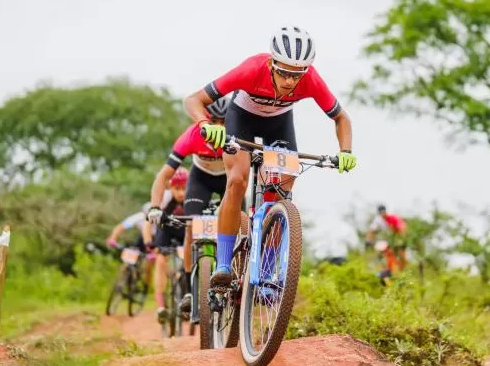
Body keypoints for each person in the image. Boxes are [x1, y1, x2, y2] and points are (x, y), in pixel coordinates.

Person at [183, 26, 357, 288]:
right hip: (242, 119)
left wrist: (345, 151)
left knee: (283, 187)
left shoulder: (311, 79)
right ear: (271, 62)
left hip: (278, 125)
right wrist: (207, 125)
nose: (289, 81)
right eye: (284, 72)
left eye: (297, 75)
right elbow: (193, 99)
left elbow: (341, 118)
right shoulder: (251, 69)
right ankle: (223, 265)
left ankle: (266, 268)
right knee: (237, 180)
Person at [148, 96, 232, 317]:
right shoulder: (193, 135)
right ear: (204, 119)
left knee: (238, 225)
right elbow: (163, 175)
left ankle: (236, 278)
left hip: (228, 179)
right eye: (214, 120)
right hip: (201, 179)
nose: (219, 127)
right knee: (190, 227)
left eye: (224, 121)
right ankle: (188, 290)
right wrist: (155, 207)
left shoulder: (238, 132)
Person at [143, 167, 188, 323]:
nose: (181, 193)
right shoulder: (164, 198)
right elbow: (147, 223)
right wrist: (148, 240)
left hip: (185, 231)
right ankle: (161, 307)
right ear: (170, 187)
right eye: (177, 188)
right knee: (161, 261)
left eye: (184, 188)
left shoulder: (193, 197)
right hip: (166, 231)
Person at [365, 204, 408, 279]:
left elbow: (402, 228)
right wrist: (368, 241)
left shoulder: (392, 218)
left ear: (385, 211)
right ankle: (386, 272)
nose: (382, 214)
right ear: (379, 213)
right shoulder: (378, 221)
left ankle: (402, 273)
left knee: (401, 258)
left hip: (396, 240)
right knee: (387, 257)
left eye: (383, 212)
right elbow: (372, 231)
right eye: (381, 213)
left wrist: (401, 237)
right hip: (386, 242)